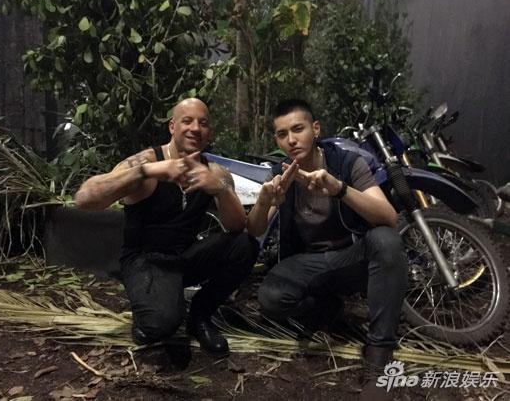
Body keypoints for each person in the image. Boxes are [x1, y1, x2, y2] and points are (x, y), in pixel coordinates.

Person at [246, 99, 407, 400]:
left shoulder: (347, 163)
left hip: (352, 257)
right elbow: (254, 229)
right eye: (282, 134)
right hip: (311, 264)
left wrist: (339, 189)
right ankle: (328, 309)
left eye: (298, 129)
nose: (291, 140)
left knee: (386, 240)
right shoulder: (280, 174)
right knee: (270, 297)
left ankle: (379, 351)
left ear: (315, 129)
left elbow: (388, 217)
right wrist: (265, 201)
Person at [75, 98, 258, 358]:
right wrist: (148, 171)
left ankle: (200, 316)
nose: (195, 128)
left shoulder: (214, 172)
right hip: (145, 261)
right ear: (172, 126)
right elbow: (84, 198)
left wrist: (219, 189)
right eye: (187, 121)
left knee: (245, 246)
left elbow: (237, 226)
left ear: (209, 132)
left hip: (185, 257)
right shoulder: (147, 162)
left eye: (203, 123)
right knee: (161, 324)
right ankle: (153, 313)